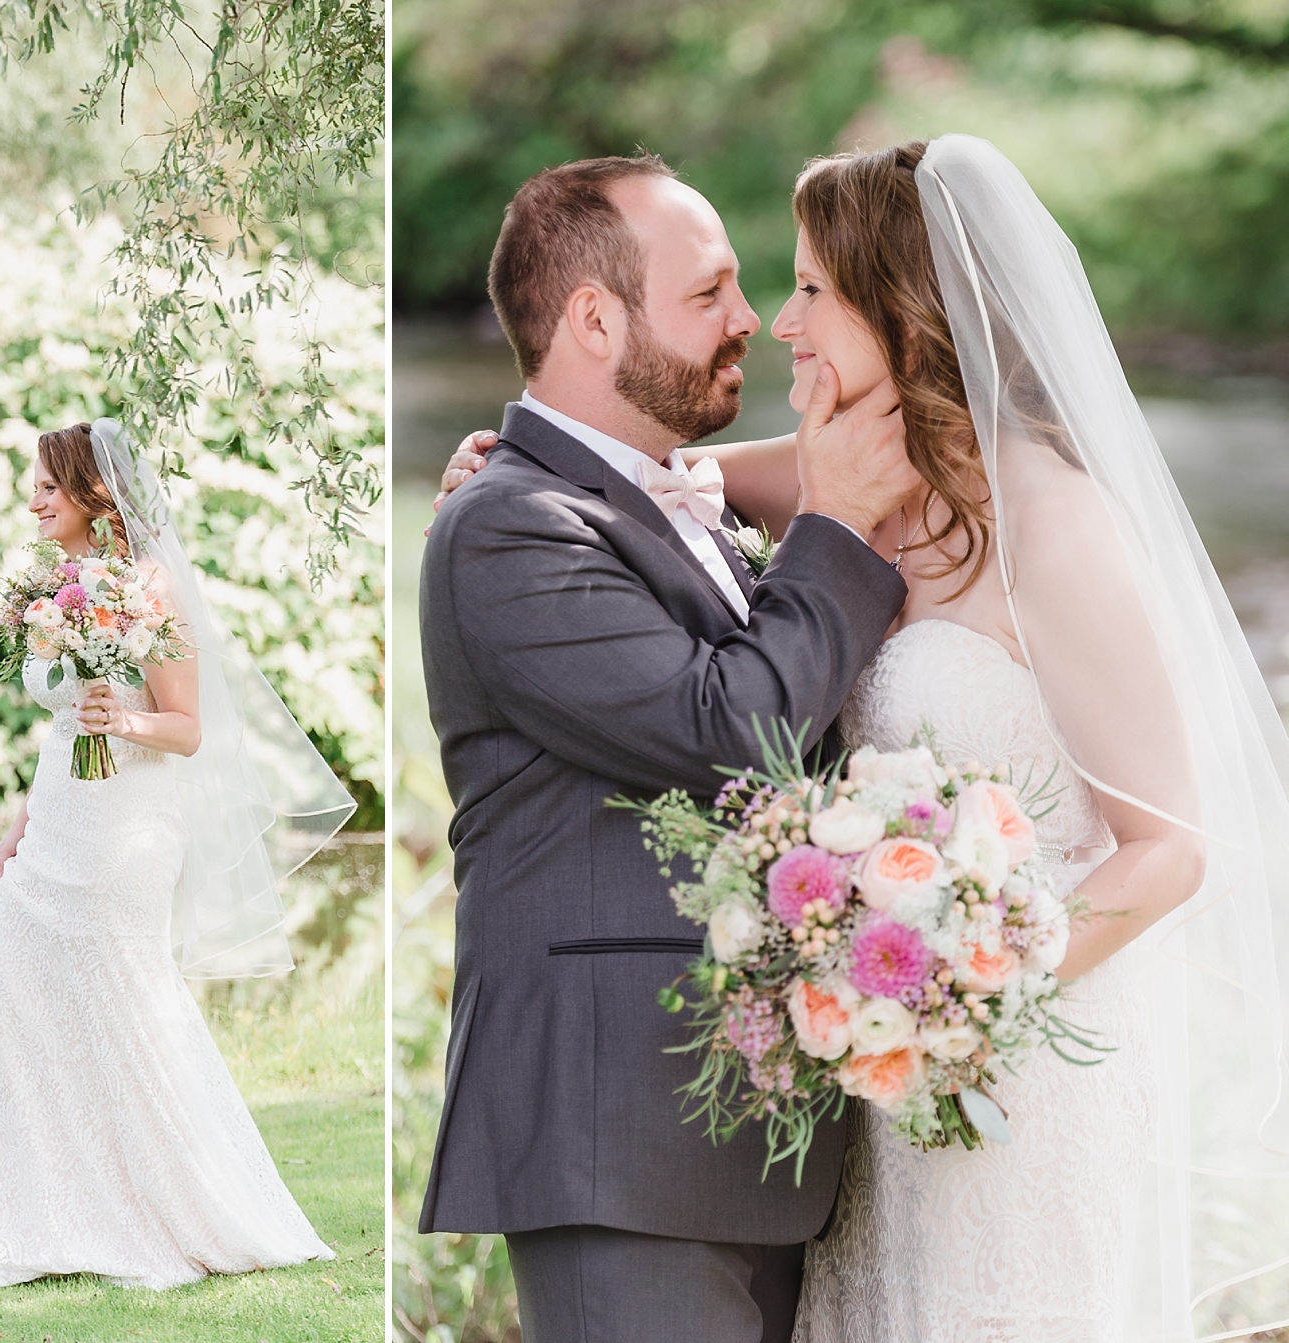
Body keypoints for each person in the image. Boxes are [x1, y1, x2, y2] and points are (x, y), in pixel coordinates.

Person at [434, 137, 1289, 1341]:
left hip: (1006, 1071)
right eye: (750, 288)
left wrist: (966, 989)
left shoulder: (1053, 521)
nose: (779, 323)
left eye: (813, 289)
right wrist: (506, 465)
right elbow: (656, 481)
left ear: (907, 310)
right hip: (876, 1103)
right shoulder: (854, 487)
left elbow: (1173, 846)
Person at [417, 153, 920, 1343]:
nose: (750, 320)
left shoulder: (659, 499)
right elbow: (730, 728)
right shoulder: (510, 529)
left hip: (756, 1124)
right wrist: (838, 522)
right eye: (711, 294)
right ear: (595, 319)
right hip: (617, 1134)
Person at [0, 419, 354, 1290]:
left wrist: (127, 719)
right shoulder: (59, 589)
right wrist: (24, 815)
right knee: (21, 989)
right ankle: (29, 1212)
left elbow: (186, 728)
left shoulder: (151, 587)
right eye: (34, 485)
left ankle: (181, 1205)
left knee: (130, 1003)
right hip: (61, 818)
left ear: (94, 494)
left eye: (47, 485)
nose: (33, 498)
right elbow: (65, 721)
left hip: (128, 830)